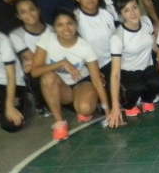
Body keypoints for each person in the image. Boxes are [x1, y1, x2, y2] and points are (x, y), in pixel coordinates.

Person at [31, 9, 110, 140]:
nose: (66, 29)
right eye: (60, 25)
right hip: (60, 88)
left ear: (76, 25)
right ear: (54, 28)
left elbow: (96, 80)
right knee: (48, 77)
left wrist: (108, 112)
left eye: (70, 23)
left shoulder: (85, 47)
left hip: (81, 83)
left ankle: (82, 106)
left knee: (85, 109)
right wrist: (61, 63)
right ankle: (60, 123)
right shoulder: (47, 39)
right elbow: (34, 72)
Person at [107, 0, 159, 127]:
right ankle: (128, 104)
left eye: (134, 7)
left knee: (158, 83)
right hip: (127, 72)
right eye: (126, 10)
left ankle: (146, 98)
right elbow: (115, 74)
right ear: (121, 14)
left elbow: (155, 47)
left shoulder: (146, 21)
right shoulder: (117, 37)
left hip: (146, 68)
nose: (132, 13)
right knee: (135, 87)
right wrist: (115, 107)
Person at [9, 0, 51, 117]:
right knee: (32, 69)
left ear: (38, 10)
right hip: (37, 70)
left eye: (32, 9)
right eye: (23, 12)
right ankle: (40, 102)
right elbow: (33, 60)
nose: (29, 14)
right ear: (18, 16)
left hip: (53, 65)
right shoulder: (16, 35)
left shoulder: (52, 29)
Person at [72, 0, 116, 83]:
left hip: (116, 60)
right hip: (93, 66)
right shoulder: (74, 18)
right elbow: (74, 50)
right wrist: (93, 71)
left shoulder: (109, 11)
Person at [0, 29, 26, 133]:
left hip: (11, 82)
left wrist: (10, 106)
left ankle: (15, 102)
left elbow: (11, 77)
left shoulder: (1, 41)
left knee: (11, 124)